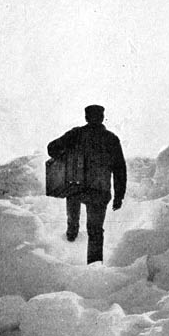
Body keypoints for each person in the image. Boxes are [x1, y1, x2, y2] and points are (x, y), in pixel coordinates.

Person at [47, 105, 127, 264]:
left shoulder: (76, 134)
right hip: (100, 191)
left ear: (86, 117)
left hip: (76, 188)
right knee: (95, 231)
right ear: (103, 117)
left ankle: (71, 237)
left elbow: (52, 148)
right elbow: (120, 170)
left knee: (73, 211)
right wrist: (119, 196)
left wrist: (66, 156)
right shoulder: (111, 138)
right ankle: (94, 266)